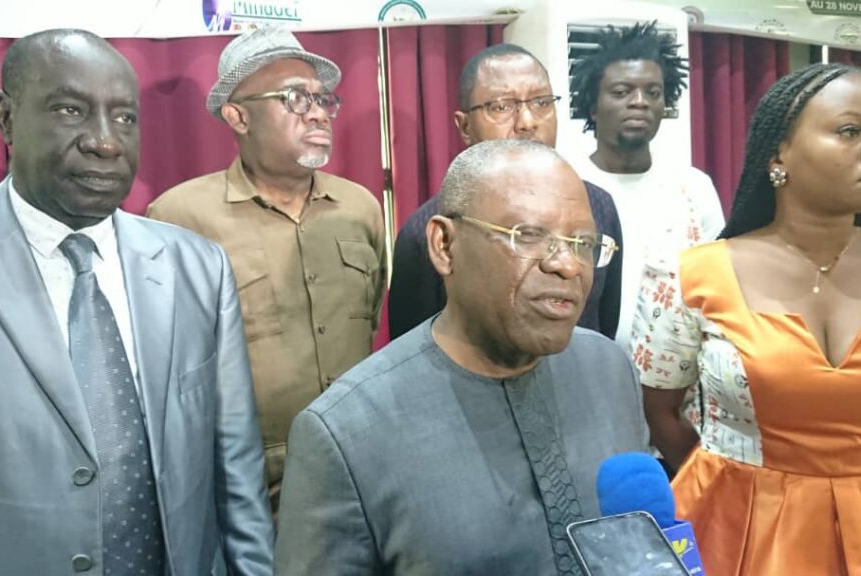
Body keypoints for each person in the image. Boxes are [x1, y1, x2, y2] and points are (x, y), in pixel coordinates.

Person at [0, 29, 273, 575]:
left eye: (124, 117)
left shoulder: (198, 268)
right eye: (70, 110)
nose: (105, 142)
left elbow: (236, 471)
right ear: (6, 117)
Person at [633, 63, 861, 574]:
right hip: (734, 527)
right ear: (779, 153)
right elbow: (661, 413)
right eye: (850, 131)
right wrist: (738, 477)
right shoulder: (690, 275)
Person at [275, 140, 648, 575]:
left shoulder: (610, 370)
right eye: (528, 235)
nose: (568, 265)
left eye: (582, 243)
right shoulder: (345, 432)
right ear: (445, 245)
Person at [147, 26, 386, 511]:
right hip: (247, 485)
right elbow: (166, 361)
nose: (317, 112)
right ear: (238, 116)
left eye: (322, 99)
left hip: (364, 463)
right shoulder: (179, 218)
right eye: (294, 98)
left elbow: (375, 310)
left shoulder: (359, 206)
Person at [387, 43, 622, 341]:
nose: (527, 122)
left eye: (542, 102)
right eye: (501, 107)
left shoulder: (597, 207)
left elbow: (604, 325)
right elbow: (412, 348)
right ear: (465, 127)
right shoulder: (427, 232)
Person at [569, 22, 723, 350]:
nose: (639, 102)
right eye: (621, 92)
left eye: (652, 93)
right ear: (593, 106)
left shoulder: (694, 188)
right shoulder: (566, 186)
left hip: (678, 369)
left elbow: (717, 287)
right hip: (582, 362)